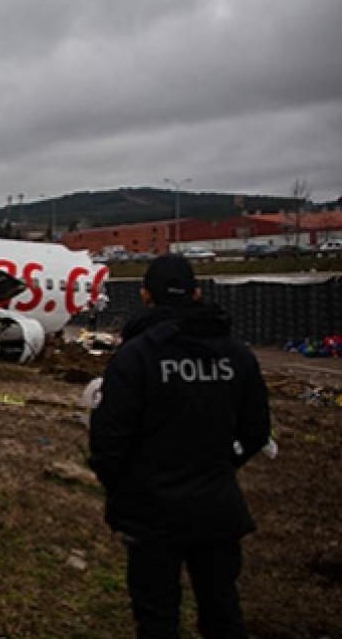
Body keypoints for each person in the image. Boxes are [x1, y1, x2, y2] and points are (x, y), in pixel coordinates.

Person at [89, 254, 270, 638]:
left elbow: (107, 440)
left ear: (145, 295)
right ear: (197, 293)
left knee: (157, 618)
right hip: (218, 506)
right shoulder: (237, 355)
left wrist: (125, 489)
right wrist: (222, 465)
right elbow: (256, 430)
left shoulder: (136, 356)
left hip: (151, 511)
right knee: (223, 611)